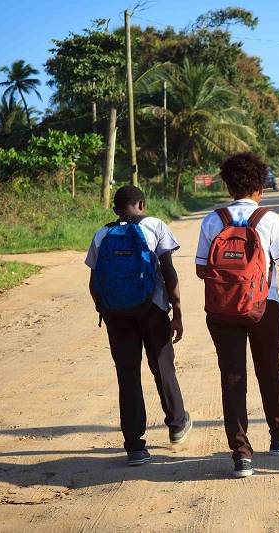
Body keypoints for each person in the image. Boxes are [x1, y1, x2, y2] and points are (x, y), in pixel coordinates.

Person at [195, 152, 279, 479]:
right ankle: (278, 435)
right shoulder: (269, 220)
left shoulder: (212, 220)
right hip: (265, 307)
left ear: (228, 184)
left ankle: (242, 454)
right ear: (260, 187)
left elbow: (201, 270)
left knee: (232, 377)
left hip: (222, 311)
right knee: (268, 368)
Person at [86, 185, 191, 466]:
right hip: (152, 308)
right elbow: (168, 272)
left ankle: (134, 446)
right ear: (142, 204)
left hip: (116, 313)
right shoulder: (155, 226)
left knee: (128, 376)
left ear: (115, 209)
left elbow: (94, 282)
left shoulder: (102, 234)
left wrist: (106, 309)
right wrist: (177, 310)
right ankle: (177, 423)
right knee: (162, 365)